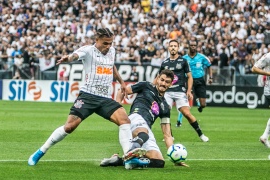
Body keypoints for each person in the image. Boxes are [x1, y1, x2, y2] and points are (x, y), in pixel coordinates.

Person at [28, 28, 146, 168]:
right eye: (105, 43)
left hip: (104, 98)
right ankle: (41, 151)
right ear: (96, 40)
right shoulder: (88, 50)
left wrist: (121, 82)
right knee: (69, 127)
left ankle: (129, 158)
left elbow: (111, 65)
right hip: (88, 96)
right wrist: (69, 58)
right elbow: (75, 55)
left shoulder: (111, 51)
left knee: (124, 120)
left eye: (110, 43)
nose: (108, 46)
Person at [100, 69, 188, 169]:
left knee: (159, 162)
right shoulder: (146, 86)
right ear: (158, 78)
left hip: (146, 129)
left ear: (171, 84)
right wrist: (117, 107)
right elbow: (122, 91)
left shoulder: (165, 106)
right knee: (143, 132)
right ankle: (132, 149)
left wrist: (175, 157)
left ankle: (118, 160)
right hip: (136, 117)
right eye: (162, 80)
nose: (163, 83)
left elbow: (167, 135)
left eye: (167, 82)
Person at [157, 39, 209, 142]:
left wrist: (189, 91)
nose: (172, 48)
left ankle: (201, 134)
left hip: (180, 91)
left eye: (175, 46)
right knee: (164, 112)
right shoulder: (165, 63)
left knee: (187, 113)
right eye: (171, 46)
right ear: (168, 48)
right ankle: (169, 135)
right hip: (167, 92)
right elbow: (158, 78)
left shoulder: (183, 61)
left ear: (178, 48)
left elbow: (190, 77)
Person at [176, 40, 213, 127]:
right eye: (191, 45)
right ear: (188, 46)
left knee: (203, 104)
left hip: (200, 80)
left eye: (194, 45)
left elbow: (209, 65)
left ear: (196, 47)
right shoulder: (184, 58)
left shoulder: (201, 57)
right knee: (186, 101)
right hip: (189, 80)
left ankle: (199, 104)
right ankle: (179, 120)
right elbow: (180, 69)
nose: (193, 47)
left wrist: (210, 77)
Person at [251, 52, 270, 148]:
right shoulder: (268, 56)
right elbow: (254, 68)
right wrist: (268, 73)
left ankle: (265, 136)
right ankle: (265, 136)